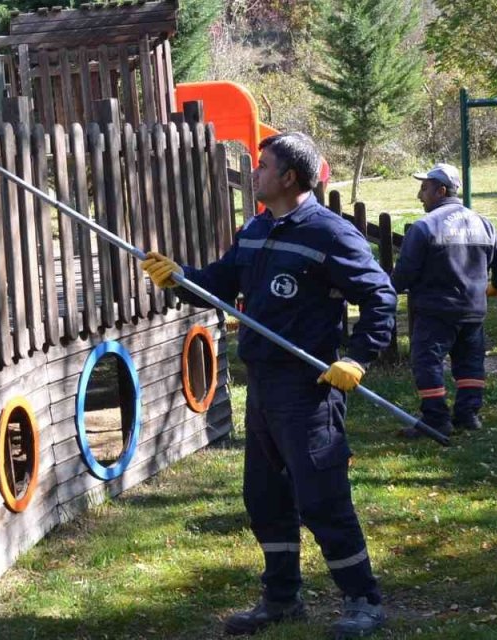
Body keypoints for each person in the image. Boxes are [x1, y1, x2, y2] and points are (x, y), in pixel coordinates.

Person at [141, 132, 396, 638]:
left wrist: (357, 359)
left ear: (289, 178)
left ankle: (363, 599)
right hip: (261, 384)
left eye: (262, 166)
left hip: (309, 389)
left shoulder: (330, 234)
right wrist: (179, 277)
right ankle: (281, 599)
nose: (254, 173)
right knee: (264, 496)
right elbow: (220, 283)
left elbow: (380, 297)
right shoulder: (256, 229)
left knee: (321, 496)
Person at [391, 163, 497, 438]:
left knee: (427, 362)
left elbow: (404, 273)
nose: (419, 195)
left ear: (441, 191)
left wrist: (383, 293)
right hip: (473, 311)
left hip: (436, 311)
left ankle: (436, 419)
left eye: (424, 188)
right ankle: (468, 416)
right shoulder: (484, 224)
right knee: (470, 364)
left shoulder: (425, 227)